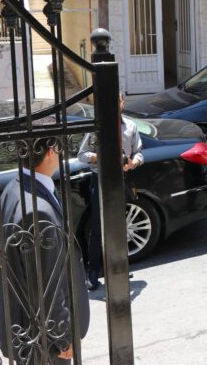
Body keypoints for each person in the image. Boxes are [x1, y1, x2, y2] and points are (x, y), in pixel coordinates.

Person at [0, 138, 90, 364]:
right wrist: (63, 337)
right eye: (60, 146)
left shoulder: (14, 186)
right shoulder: (38, 211)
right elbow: (46, 286)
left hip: (31, 333)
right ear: (50, 152)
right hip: (43, 341)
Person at [78, 92, 143, 290]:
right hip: (100, 180)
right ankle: (93, 272)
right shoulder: (96, 127)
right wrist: (101, 156)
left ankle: (119, 267)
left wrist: (133, 163)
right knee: (97, 227)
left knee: (119, 226)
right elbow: (82, 155)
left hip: (120, 180)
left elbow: (139, 152)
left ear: (123, 103)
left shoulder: (130, 126)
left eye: (118, 101)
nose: (115, 105)